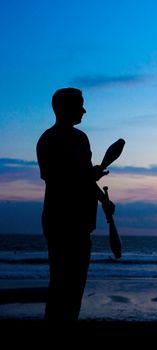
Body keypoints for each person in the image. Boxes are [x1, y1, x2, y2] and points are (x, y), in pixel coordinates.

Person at [36, 87, 114, 322]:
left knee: (76, 286)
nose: (84, 110)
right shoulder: (49, 140)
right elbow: (57, 178)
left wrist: (102, 200)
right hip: (60, 222)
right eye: (79, 105)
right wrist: (89, 176)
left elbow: (83, 178)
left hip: (82, 222)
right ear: (64, 109)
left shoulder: (81, 139)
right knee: (61, 285)